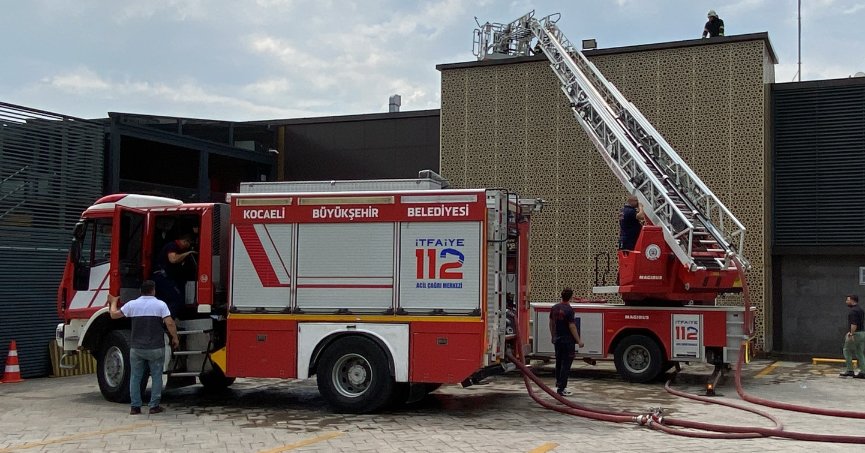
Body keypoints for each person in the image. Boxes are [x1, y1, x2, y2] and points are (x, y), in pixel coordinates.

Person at [109, 280, 180, 414]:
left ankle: (135, 407)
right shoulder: (160, 305)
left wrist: (113, 302)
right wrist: (175, 338)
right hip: (156, 348)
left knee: (135, 377)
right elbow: (169, 323)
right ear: (153, 290)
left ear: (141, 291)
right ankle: (154, 406)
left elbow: (113, 315)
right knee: (157, 376)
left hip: (137, 349)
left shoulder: (132, 305)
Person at [549, 288, 584, 396]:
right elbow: (572, 326)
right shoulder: (569, 310)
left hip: (558, 340)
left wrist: (553, 336)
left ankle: (558, 383)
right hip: (567, 341)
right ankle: (562, 388)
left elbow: (551, 323)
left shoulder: (554, 308)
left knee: (559, 363)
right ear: (571, 297)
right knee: (566, 364)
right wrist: (579, 341)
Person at [153, 233, 197, 317]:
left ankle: (163, 320)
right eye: (189, 244)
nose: (189, 246)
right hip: (162, 277)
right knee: (176, 298)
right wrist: (188, 253)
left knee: (165, 299)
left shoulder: (175, 248)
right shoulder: (172, 246)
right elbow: (173, 259)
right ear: (185, 241)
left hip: (164, 278)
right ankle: (170, 321)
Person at [840, 294, 865, 378]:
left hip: (855, 334)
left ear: (852, 300)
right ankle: (863, 371)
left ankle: (850, 370)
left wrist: (851, 333)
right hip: (862, 333)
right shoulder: (860, 310)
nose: (846, 301)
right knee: (860, 353)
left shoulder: (853, 311)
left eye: (848, 300)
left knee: (846, 350)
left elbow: (854, 324)